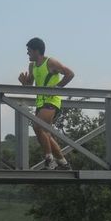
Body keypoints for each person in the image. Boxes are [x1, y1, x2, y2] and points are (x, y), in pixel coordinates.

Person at [18, 37, 75, 170]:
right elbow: (30, 84)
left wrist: (57, 87)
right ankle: (63, 162)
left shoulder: (51, 62)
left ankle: (50, 161)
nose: (27, 53)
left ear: (37, 51)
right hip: (40, 103)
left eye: (29, 51)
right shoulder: (32, 66)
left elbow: (70, 74)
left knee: (37, 126)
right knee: (46, 134)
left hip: (52, 101)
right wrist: (24, 83)